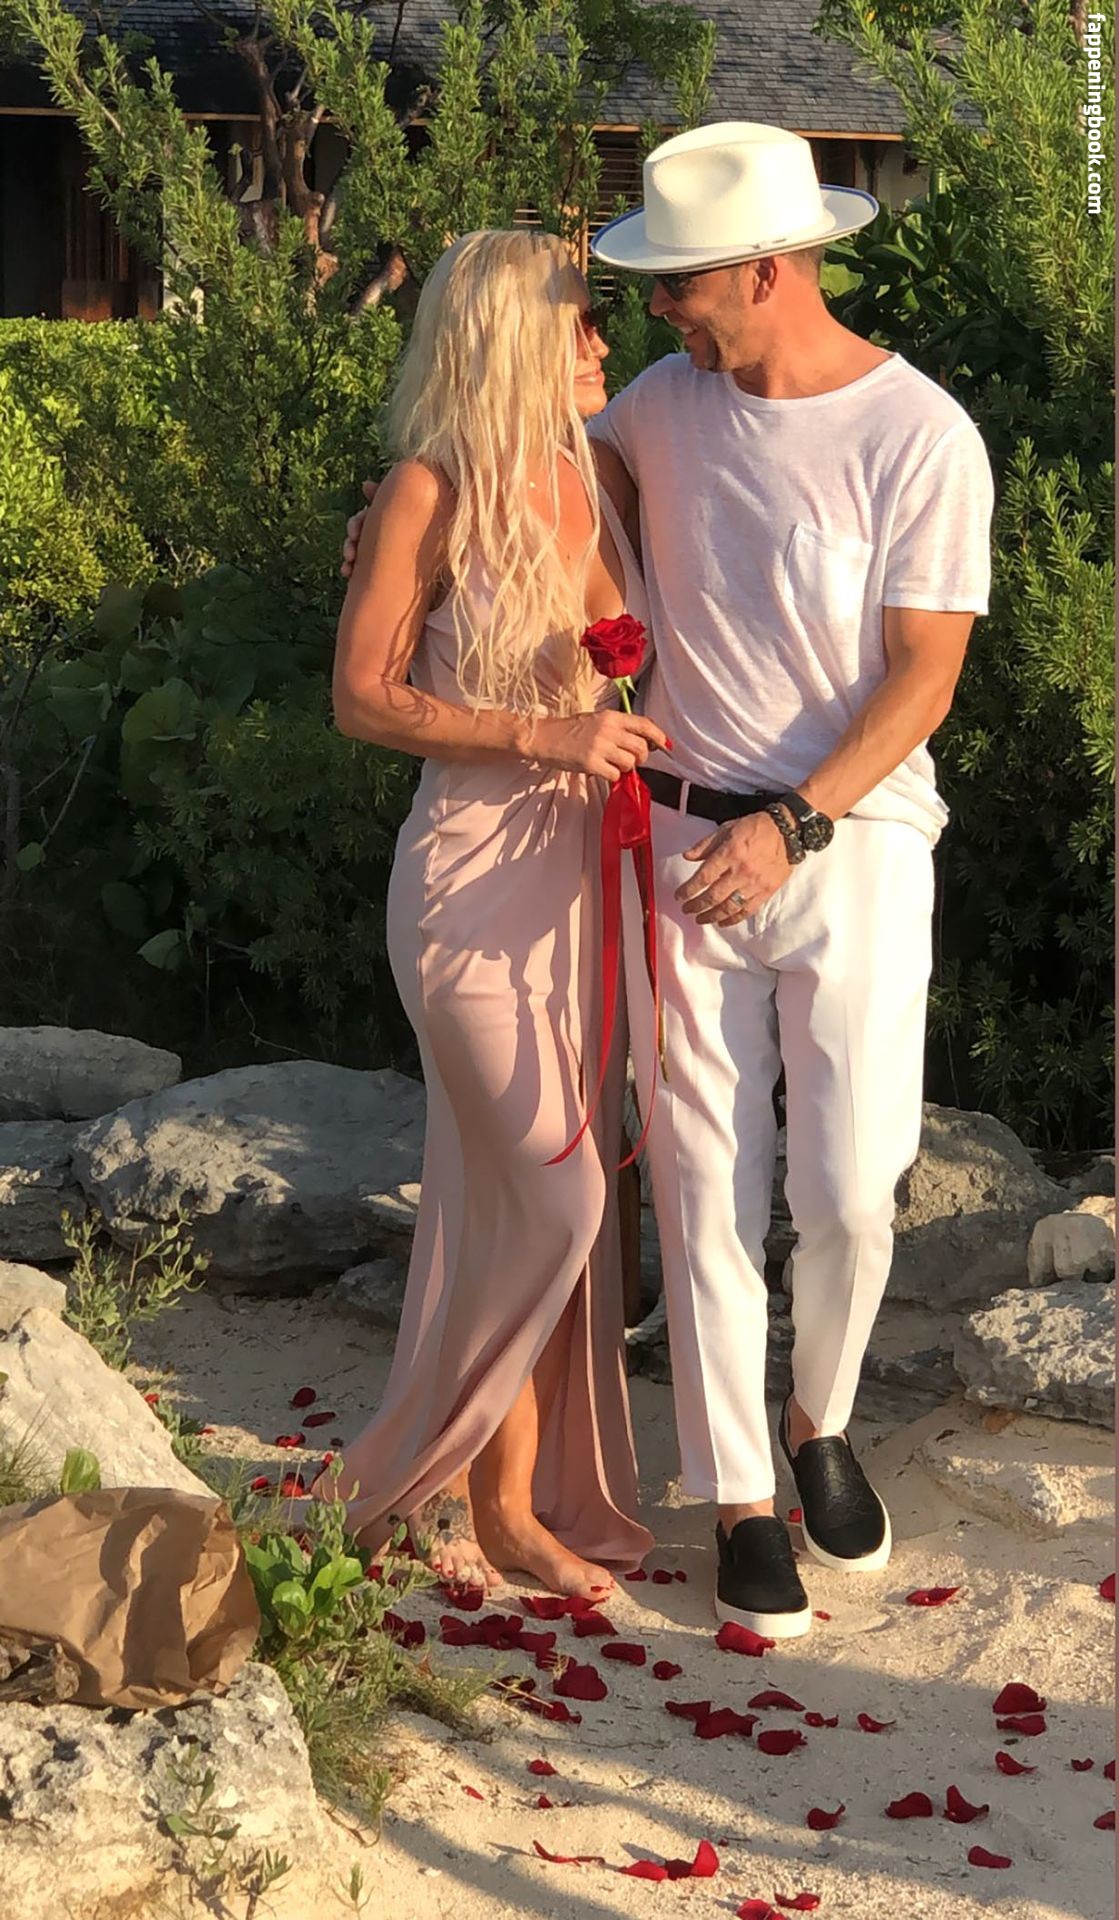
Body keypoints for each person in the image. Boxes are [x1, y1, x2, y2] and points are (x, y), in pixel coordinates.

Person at [586, 121, 995, 1637]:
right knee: (704, 1184)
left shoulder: (920, 434)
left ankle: (822, 1421)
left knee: (852, 1187)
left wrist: (794, 827)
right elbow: (546, 495)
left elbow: (925, 677)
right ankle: (739, 1494)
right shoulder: (658, 405)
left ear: (766, 269)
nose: (661, 309)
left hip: (854, 842)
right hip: (679, 840)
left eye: (682, 283)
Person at [315, 228, 665, 1599]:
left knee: (521, 1201)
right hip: (468, 885)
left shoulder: (598, 471)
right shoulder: (428, 490)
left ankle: (510, 1506)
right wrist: (545, 735)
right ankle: (390, 1478)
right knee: (558, 1196)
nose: (602, 342)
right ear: (514, 338)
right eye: (579, 322)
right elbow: (361, 698)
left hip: (581, 887)